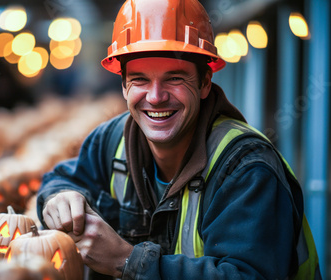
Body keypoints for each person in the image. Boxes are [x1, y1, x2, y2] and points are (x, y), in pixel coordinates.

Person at [37, 0, 321, 279]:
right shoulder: (110, 141)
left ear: (205, 82)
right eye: (140, 80)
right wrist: (59, 198)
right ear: (124, 86)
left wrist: (125, 261)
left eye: (174, 78)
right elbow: (63, 179)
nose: (156, 97)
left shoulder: (246, 169)